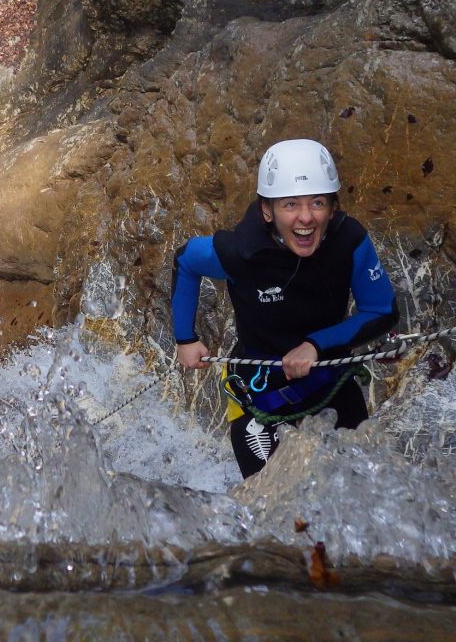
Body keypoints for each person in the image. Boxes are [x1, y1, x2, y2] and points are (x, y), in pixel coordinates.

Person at [171, 139, 399, 478]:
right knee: (270, 514)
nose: (305, 217)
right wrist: (185, 339)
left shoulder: (347, 242)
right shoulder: (242, 253)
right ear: (268, 210)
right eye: (290, 204)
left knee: (360, 494)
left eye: (318, 203)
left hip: (329, 383)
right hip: (258, 398)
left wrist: (315, 345)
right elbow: (186, 260)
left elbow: (382, 310)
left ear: (332, 208)